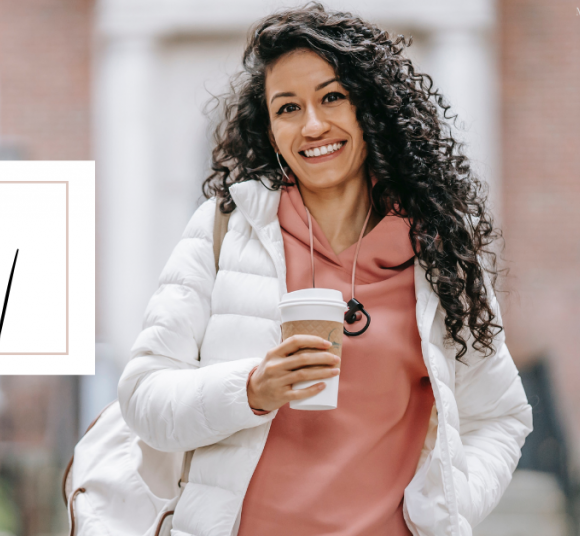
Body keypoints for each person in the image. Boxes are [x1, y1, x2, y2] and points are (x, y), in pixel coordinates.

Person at [116, 3, 533, 536]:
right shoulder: (225, 231)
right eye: (287, 108)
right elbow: (143, 397)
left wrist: (446, 509)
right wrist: (251, 388)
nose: (313, 125)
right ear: (269, 128)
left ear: (372, 109)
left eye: (332, 97)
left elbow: (500, 415)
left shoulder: (439, 251)